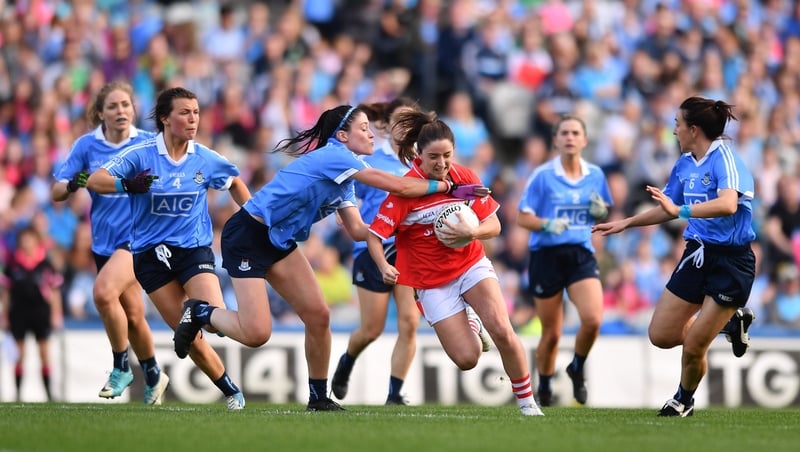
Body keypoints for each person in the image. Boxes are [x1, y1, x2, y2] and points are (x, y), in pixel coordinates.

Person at [172, 104, 489, 412]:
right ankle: (199, 311)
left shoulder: (346, 177)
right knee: (256, 334)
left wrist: (401, 232)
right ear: (341, 136)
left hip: (278, 241)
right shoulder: (336, 158)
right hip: (247, 236)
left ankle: (318, 397)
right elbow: (398, 185)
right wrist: (447, 186)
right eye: (363, 129)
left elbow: (357, 230)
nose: (370, 135)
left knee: (319, 315)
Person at [367, 109, 544, 416]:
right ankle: (472, 321)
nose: (442, 163)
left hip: (470, 265)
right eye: (434, 157)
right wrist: (384, 266)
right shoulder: (406, 190)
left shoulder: (464, 176)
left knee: (502, 329)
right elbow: (374, 235)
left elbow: (495, 226)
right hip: (431, 282)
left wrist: (473, 231)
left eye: (447, 155)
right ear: (418, 154)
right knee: (467, 359)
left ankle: (528, 403)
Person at [86, 87, 252, 410]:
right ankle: (232, 392)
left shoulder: (205, 158)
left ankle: (198, 316)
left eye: (196, 112)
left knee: (208, 319)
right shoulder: (141, 155)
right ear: (165, 118)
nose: (193, 119)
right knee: (188, 334)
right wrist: (126, 184)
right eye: (184, 112)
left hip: (192, 250)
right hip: (149, 256)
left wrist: (253, 221)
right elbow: (95, 180)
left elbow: (235, 184)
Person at [593, 96, 757, 417]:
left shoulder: (725, 159)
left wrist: (681, 210)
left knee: (695, 344)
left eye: (678, 125)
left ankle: (683, 400)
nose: (674, 131)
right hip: (697, 253)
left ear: (694, 130)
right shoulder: (684, 163)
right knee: (661, 335)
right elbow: (666, 209)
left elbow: (727, 205)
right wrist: (627, 222)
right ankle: (729, 324)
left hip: (731, 261)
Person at [51, 81, 170, 405]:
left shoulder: (149, 143)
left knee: (103, 293)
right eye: (113, 106)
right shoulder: (87, 147)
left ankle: (120, 367)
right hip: (104, 243)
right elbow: (56, 191)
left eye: (126, 105)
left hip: (139, 239)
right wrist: (73, 185)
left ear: (134, 109)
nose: (121, 111)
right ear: (100, 113)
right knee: (132, 316)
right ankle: (155, 376)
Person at [516, 114, 613, 407]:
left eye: (575, 133)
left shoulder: (595, 174)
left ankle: (577, 366)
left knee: (593, 319)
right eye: (564, 133)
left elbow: (604, 210)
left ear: (584, 140)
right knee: (552, 333)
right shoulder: (543, 176)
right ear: (555, 140)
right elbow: (522, 217)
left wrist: (601, 213)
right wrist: (545, 224)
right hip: (546, 256)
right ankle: (544, 383)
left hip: (580, 253)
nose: (570, 137)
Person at [331, 98, 421, 406]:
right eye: (399, 121)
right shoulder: (370, 160)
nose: (405, 128)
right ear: (385, 125)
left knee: (410, 321)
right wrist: (344, 214)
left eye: (411, 122)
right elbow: (346, 193)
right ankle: (347, 360)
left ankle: (395, 394)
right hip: (372, 247)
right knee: (372, 328)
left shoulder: (423, 164)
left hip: (409, 250)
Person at [1, 226, 63, 401]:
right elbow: (6, 292)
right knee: (19, 355)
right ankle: (18, 393)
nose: (26, 242)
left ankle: (49, 393)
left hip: (40, 312)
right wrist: (4, 315)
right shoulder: (12, 264)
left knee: (44, 353)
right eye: (23, 239)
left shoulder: (45, 264)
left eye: (29, 239)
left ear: (36, 241)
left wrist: (55, 314)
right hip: (18, 313)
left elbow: (55, 290)